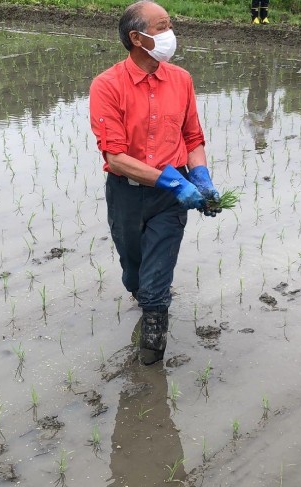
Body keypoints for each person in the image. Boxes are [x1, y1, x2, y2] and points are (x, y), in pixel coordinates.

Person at [89, 1, 220, 366]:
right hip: (126, 194)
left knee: (155, 285)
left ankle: (151, 361)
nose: (170, 34)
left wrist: (200, 177)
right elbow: (115, 157)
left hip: (170, 198)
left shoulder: (181, 80)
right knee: (133, 272)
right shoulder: (107, 86)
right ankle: (140, 290)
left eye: (169, 25)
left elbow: (193, 138)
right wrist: (173, 182)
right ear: (137, 37)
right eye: (161, 27)